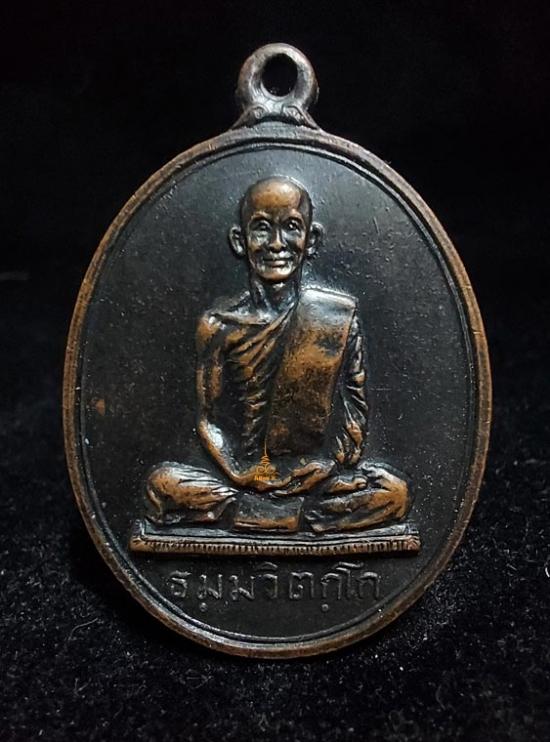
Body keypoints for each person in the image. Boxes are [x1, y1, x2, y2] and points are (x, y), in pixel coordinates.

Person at [146, 177, 410, 533]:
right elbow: (208, 419)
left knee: (394, 494)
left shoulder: (337, 317)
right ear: (240, 241)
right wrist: (241, 473)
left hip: (315, 477)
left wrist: (331, 465)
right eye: (261, 228)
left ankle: (258, 516)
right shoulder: (218, 325)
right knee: (162, 484)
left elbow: (354, 411)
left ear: (311, 240)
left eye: (291, 227)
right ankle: (292, 518)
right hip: (243, 478)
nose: (276, 244)